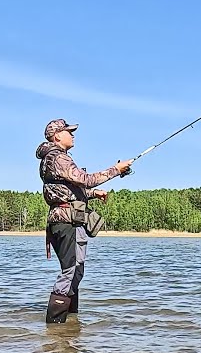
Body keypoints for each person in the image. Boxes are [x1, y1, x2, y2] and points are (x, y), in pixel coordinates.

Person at [35, 118, 133, 323]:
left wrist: (94, 194)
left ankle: (71, 325)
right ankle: (55, 325)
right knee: (71, 270)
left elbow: (65, 190)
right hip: (67, 221)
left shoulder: (53, 159)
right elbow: (84, 179)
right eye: (68, 132)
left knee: (75, 270)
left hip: (64, 220)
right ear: (57, 136)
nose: (73, 135)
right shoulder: (59, 158)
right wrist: (117, 170)